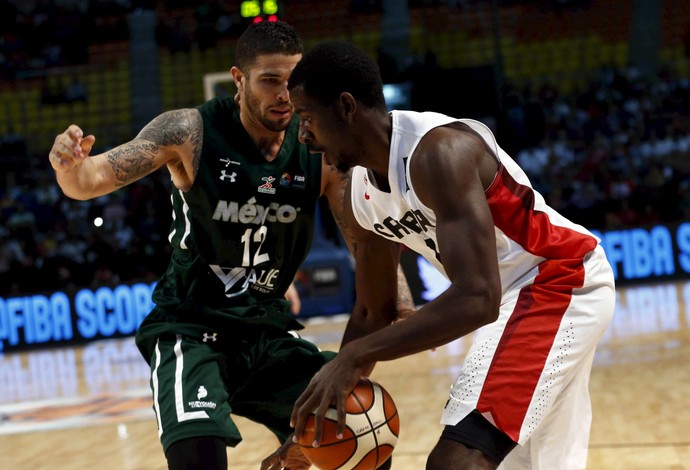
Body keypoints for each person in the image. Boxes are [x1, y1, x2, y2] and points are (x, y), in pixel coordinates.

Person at [48, 23, 414, 469]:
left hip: (267, 333)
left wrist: (395, 289)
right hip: (191, 329)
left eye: (292, 83)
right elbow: (90, 180)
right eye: (270, 81)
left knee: (360, 436)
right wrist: (69, 165)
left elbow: (366, 243)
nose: (284, 95)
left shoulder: (318, 149)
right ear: (238, 80)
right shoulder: (189, 131)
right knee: (197, 457)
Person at [266, 41, 616, 469]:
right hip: (514, 299)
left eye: (306, 119)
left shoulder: (439, 153)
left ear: (345, 107)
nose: (303, 136)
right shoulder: (360, 193)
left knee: (458, 460)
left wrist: (353, 359)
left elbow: (477, 298)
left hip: (556, 280)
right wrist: (320, 420)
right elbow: (373, 312)